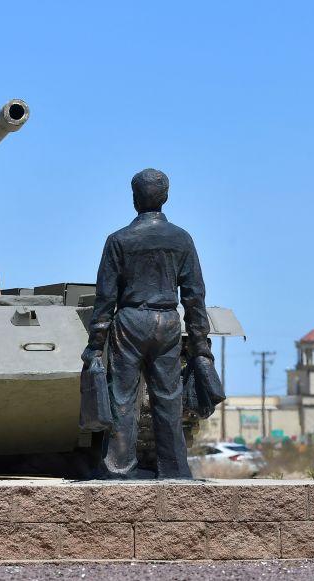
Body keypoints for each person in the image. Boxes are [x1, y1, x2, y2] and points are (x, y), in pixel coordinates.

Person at [81, 168, 212, 479]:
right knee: (169, 395)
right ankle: (175, 468)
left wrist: (94, 346)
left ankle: (119, 466)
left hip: (129, 321)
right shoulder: (181, 239)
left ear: (134, 199)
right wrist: (200, 345)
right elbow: (194, 296)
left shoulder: (119, 240)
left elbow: (106, 298)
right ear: (165, 198)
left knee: (123, 395)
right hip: (167, 319)